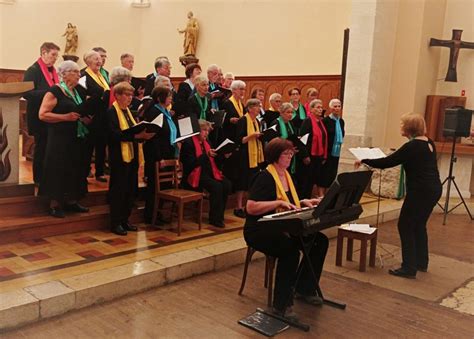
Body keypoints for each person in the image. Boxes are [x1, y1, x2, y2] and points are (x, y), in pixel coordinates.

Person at [244, 137, 328, 320]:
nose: (290, 156)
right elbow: (250, 207)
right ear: (275, 156)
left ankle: (304, 289)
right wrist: (278, 202)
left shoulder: (288, 176)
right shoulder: (264, 177)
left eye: (291, 153)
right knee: (290, 252)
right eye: (286, 154)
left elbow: (291, 202)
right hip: (259, 230)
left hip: (283, 225)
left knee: (319, 241)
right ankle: (281, 306)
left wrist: (305, 201)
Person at [355, 113, 442, 279]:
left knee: (405, 225)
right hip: (433, 189)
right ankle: (421, 262)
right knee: (418, 224)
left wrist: (364, 160)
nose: (400, 126)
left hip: (420, 191)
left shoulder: (412, 146)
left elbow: (387, 162)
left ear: (409, 128)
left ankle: (409, 267)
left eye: (402, 124)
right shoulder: (428, 142)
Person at [38, 60, 89, 218]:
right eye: (75, 72)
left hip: (75, 137)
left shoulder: (77, 91)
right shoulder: (55, 91)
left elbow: (78, 111)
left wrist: (84, 118)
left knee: (74, 168)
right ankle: (55, 204)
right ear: (65, 73)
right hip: (59, 138)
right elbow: (43, 114)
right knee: (57, 168)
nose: (79, 75)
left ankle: (71, 201)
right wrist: (65, 117)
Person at [106, 82, 154, 236]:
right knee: (118, 191)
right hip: (119, 157)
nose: (129, 98)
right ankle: (115, 223)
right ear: (118, 95)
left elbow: (132, 130)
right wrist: (136, 135)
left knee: (129, 190)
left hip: (132, 156)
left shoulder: (128, 112)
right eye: (126, 95)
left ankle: (125, 220)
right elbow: (113, 135)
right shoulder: (111, 112)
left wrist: (143, 135)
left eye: (131, 95)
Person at [180, 120, 232, 228]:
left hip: (208, 174)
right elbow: (190, 164)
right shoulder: (188, 143)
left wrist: (223, 156)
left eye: (207, 131)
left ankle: (219, 216)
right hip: (194, 175)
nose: (206, 133)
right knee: (216, 187)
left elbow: (214, 161)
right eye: (204, 130)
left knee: (226, 184)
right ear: (197, 131)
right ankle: (214, 219)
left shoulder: (206, 143)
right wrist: (206, 155)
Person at [23, 42, 60, 185]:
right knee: (41, 148)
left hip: (51, 115)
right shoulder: (33, 70)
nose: (55, 58)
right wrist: (51, 92)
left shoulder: (54, 71)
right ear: (43, 53)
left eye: (56, 55)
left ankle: (48, 177)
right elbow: (27, 93)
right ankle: (38, 179)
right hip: (38, 116)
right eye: (53, 55)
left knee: (50, 149)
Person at [143, 86, 179, 223]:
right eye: (168, 96)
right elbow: (154, 137)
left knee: (165, 186)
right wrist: (160, 158)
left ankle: (159, 214)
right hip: (157, 155)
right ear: (159, 98)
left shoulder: (165, 111)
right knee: (154, 187)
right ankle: (150, 215)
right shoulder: (154, 112)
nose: (171, 98)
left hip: (167, 152)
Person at [233, 99, 265, 218]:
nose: (259, 109)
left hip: (255, 154)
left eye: (259, 106)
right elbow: (239, 140)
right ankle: (238, 207)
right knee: (242, 182)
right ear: (250, 108)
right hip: (244, 155)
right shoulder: (243, 120)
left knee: (252, 182)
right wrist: (252, 136)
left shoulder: (257, 121)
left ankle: (249, 206)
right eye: (257, 106)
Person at [83, 50, 110, 183]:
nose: (99, 61)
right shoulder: (84, 75)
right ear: (88, 61)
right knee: (88, 145)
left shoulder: (103, 75)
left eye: (100, 59)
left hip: (103, 115)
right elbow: (82, 96)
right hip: (91, 116)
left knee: (101, 144)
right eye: (96, 59)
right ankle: (85, 170)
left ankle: (100, 172)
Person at [298, 99, 328, 198]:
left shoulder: (321, 122)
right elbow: (302, 140)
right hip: (309, 155)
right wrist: (305, 156)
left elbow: (324, 139)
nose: (320, 109)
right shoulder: (307, 121)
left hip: (318, 156)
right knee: (306, 181)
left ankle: (308, 199)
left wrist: (324, 156)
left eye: (321, 107)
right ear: (311, 109)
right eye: (317, 107)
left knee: (313, 180)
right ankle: (303, 200)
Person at [320, 98, 344, 193]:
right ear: (330, 108)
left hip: (336, 152)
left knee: (332, 174)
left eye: (339, 106)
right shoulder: (325, 121)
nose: (337, 108)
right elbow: (323, 138)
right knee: (324, 174)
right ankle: (320, 195)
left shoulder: (341, 121)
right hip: (327, 151)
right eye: (335, 106)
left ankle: (328, 194)